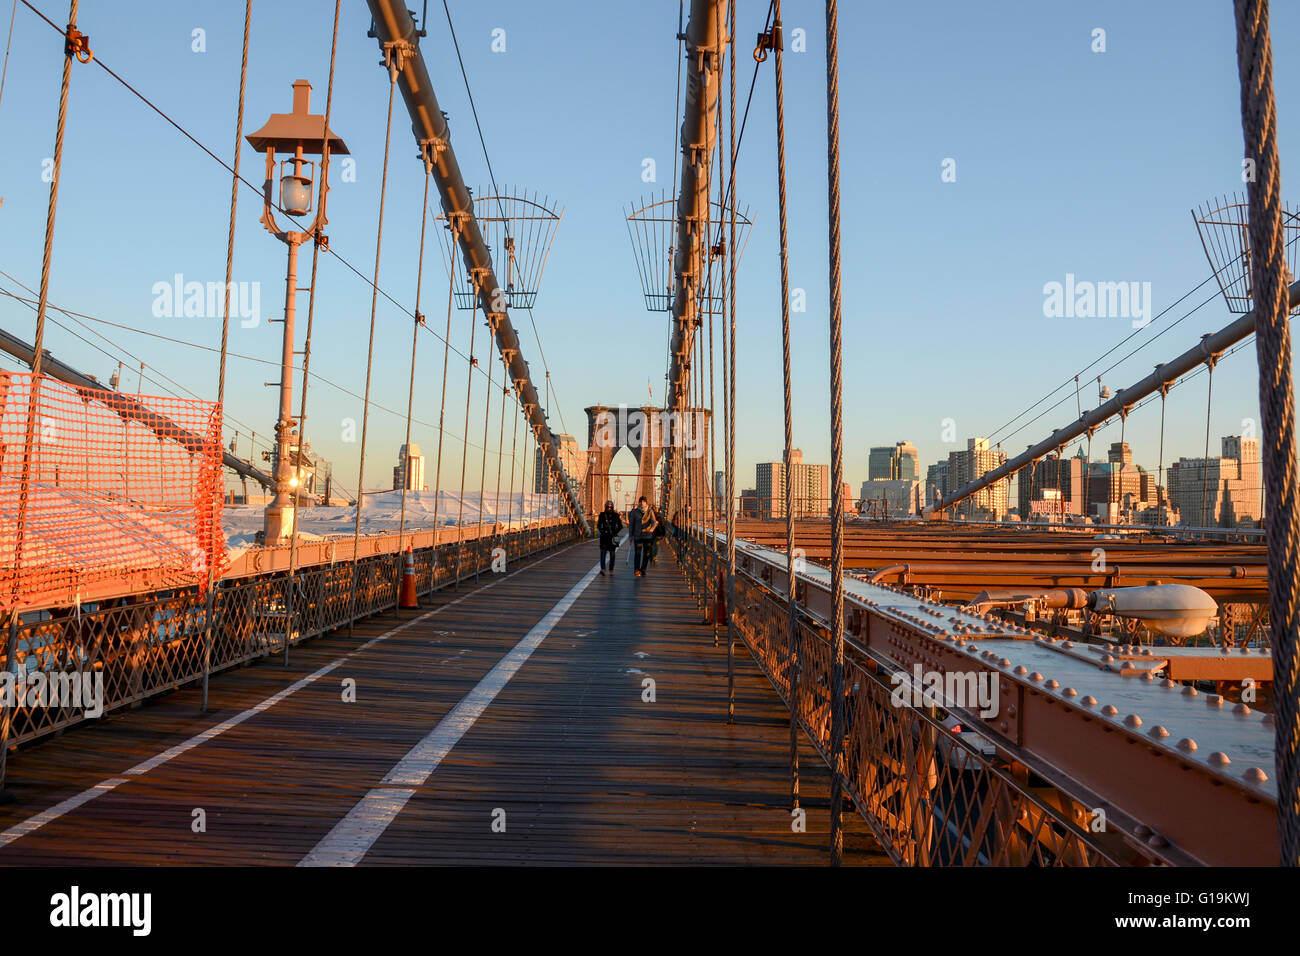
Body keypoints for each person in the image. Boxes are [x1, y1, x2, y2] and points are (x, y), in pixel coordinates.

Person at [629, 496, 658, 577]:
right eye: (641, 501)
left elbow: (654, 522)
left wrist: (652, 528)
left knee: (647, 554)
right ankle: (636, 570)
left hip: (647, 535)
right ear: (639, 503)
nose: (642, 503)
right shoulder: (635, 512)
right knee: (637, 553)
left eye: (644, 501)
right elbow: (631, 524)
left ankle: (643, 569)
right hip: (638, 536)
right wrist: (630, 536)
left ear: (646, 502)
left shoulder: (650, 511)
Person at [596, 500, 623, 575]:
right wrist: (602, 532)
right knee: (603, 553)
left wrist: (615, 532)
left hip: (612, 538)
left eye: (611, 507)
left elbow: (620, 526)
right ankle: (603, 569)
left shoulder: (616, 515)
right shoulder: (602, 515)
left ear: (613, 507)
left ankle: (611, 569)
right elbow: (598, 525)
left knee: (612, 555)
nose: (609, 508)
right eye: (608, 506)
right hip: (604, 537)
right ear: (605, 507)